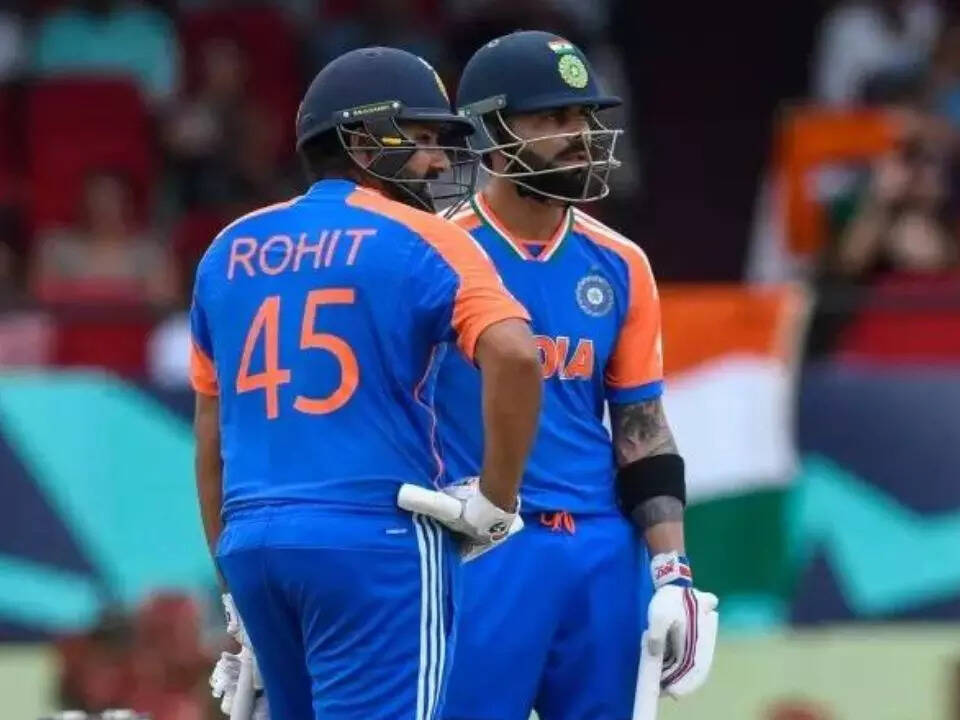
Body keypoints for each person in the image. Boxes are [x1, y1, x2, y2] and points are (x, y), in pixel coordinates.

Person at [190, 46, 542, 720]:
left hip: (254, 547)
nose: (438, 162)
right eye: (422, 138)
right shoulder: (427, 237)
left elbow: (211, 439)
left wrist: (232, 590)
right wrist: (495, 500)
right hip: (375, 540)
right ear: (360, 140)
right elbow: (518, 356)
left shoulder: (227, 248)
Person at [432, 30, 718, 719]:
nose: (581, 136)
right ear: (494, 134)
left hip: (599, 551)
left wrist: (673, 573)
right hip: (479, 544)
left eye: (585, 116)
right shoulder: (433, 253)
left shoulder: (621, 262)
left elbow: (642, 428)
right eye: (553, 118)